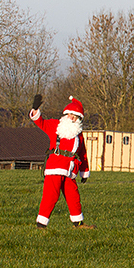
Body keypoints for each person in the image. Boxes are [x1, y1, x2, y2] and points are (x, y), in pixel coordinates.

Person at [30, 95, 93, 229]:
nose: (72, 118)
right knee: (51, 196)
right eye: (70, 114)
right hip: (55, 167)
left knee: (73, 196)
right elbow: (40, 122)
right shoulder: (55, 125)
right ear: (66, 114)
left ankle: (79, 223)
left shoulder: (79, 135)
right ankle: (41, 225)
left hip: (70, 170)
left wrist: (84, 172)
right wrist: (35, 109)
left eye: (75, 116)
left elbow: (83, 154)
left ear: (79, 119)